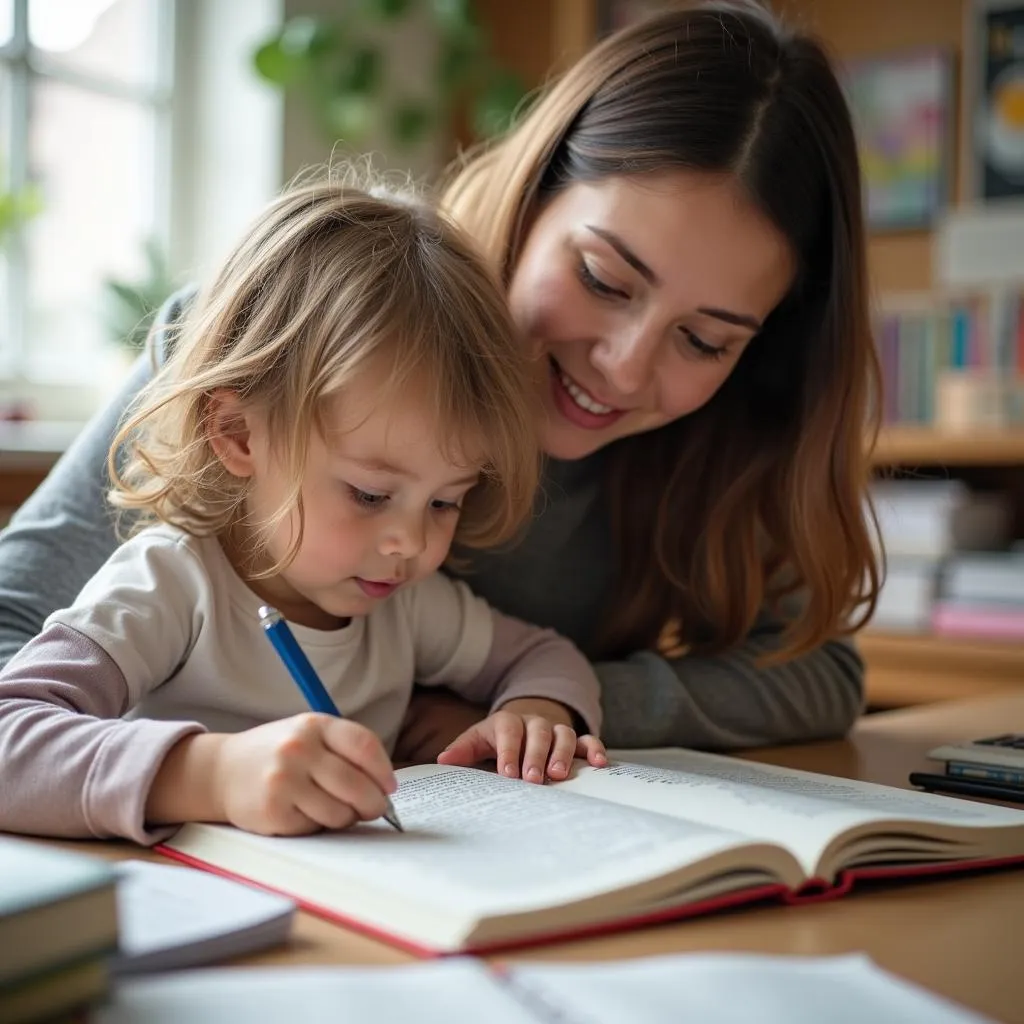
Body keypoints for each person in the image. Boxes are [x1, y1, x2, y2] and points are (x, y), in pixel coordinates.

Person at [0, 0, 880, 761]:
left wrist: (539, 711)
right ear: (531, 195)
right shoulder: (268, 349)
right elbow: (16, 624)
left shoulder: (718, 439)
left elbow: (818, 673)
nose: (625, 365)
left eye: (703, 340)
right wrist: (197, 769)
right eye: (605, 280)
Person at [0, 180, 605, 843]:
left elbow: (545, 656)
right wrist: (213, 775)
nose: (409, 541)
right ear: (238, 435)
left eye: (445, 501)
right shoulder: (172, 584)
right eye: (369, 495)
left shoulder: (404, 605)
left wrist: (535, 709)